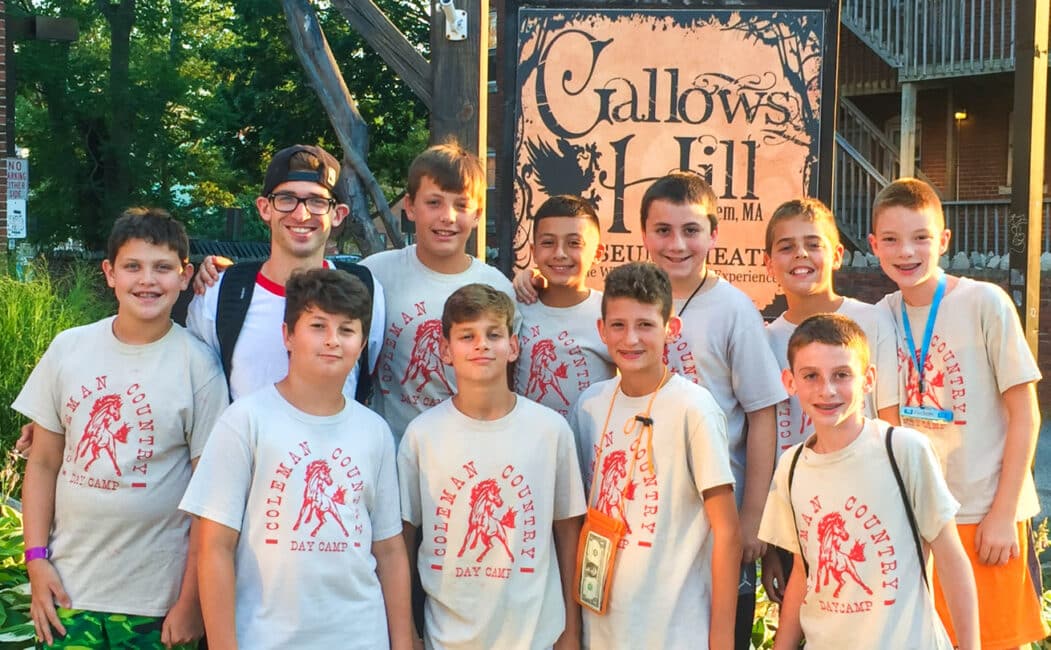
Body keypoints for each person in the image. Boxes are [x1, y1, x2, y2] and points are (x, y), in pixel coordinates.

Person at [16, 208, 228, 648]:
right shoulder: (68, 349)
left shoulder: (199, 366)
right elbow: (42, 464)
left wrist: (190, 601)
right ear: (109, 273)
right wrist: (36, 561)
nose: (147, 280)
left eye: (162, 268)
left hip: (156, 601)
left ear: (185, 276)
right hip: (67, 590)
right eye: (132, 266)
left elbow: (210, 498)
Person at [180, 268, 412, 649]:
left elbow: (388, 550)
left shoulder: (374, 432)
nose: (332, 341)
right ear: (288, 335)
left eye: (347, 330)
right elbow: (214, 548)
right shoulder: (245, 421)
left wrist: (402, 643)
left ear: (362, 342)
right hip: (266, 636)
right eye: (318, 326)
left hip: (360, 636)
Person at [869, 178, 1047, 647]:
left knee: (994, 638)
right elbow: (887, 422)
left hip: (984, 513)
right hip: (922, 517)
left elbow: (1025, 412)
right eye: (891, 239)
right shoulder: (880, 315)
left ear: (944, 240)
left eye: (921, 237)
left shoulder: (984, 302)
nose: (906, 251)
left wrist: (1004, 511)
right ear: (873, 244)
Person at [758, 313, 978, 649]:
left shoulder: (903, 451)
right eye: (811, 376)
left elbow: (951, 560)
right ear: (790, 382)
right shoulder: (791, 467)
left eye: (842, 374)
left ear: (868, 379)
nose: (827, 390)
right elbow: (804, 574)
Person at [398, 283, 585, 649]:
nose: (482, 345)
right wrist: (408, 632)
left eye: (494, 334)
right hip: (447, 637)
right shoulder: (422, 435)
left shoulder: (550, 431)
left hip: (536, 637)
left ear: (513, 347)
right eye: (467, 335)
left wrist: (571, 632)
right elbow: (402, 538)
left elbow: (568, 532)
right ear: (445, 351)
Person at [570, 262, 740, 649]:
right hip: (603, 626)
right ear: (601, 331)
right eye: (618, 325)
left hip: (675, 630)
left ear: (670, 329)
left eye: (646, 325)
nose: (631, 338)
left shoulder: (693, 408)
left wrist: (722, 639)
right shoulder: (589, 406)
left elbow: (727, 531)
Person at [760, 198, 901, 602]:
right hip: (800, 514)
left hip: (868, 507)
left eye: (813, 243)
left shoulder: (872, 321)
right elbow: (769, 442)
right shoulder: (765, 341)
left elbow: (889, 417)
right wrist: (773, 545)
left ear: (837, 255)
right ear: (769, 261)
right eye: (786, 246)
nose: (800, 254)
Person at [186, 144, 384, 404]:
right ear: (265, 208)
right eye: (287, 199)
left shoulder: (366, 291)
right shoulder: (219, 293)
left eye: (317, 201)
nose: (301, 215)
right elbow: (199, 395)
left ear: (338, 214)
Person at [360, 142, 517, 443]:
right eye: (434, 203)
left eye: (461, 205)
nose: (447, 216)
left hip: (470, 450)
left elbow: (509, 381)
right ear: (409, 206)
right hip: (395, 450)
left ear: (478, 214)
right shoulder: (375, 275)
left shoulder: (499, 288)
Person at [512, 195, 615, 416]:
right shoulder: (517, 308)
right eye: (548, 243)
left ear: (598, 253)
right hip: (530, 446)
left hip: (588, 445)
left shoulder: (610, 313)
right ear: (533, 251)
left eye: (574, 243)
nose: (560, 254)